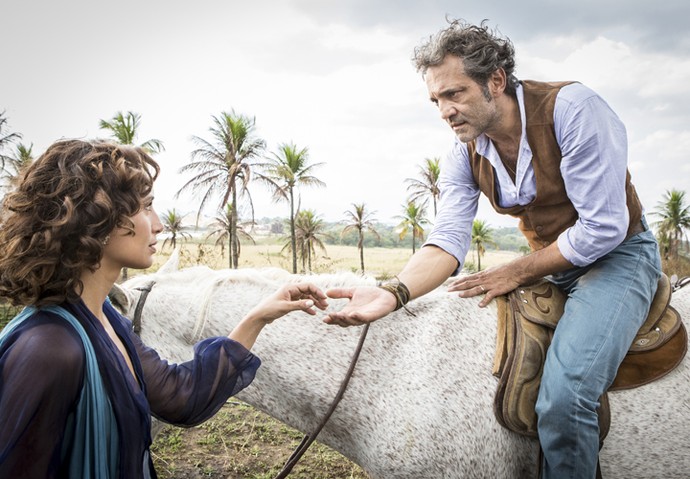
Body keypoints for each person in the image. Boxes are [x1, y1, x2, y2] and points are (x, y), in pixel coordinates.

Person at [323, 19, 661, 479]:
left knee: (566, 396)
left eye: (455, 93)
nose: (445, 111)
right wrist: (394, 292)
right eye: (436, 100)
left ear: (495, 81)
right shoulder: (462, 153)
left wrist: (518, 270)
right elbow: (447, 241)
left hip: (618, 256)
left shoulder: (574, 109)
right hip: (552, 262)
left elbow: (603, 228)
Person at [0, 139, 329, 478]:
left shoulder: (106, 319)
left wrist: (258, 315)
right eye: (145, 207)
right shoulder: (49, 349)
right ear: (96, 217)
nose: (157, 224)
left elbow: (180, 397)